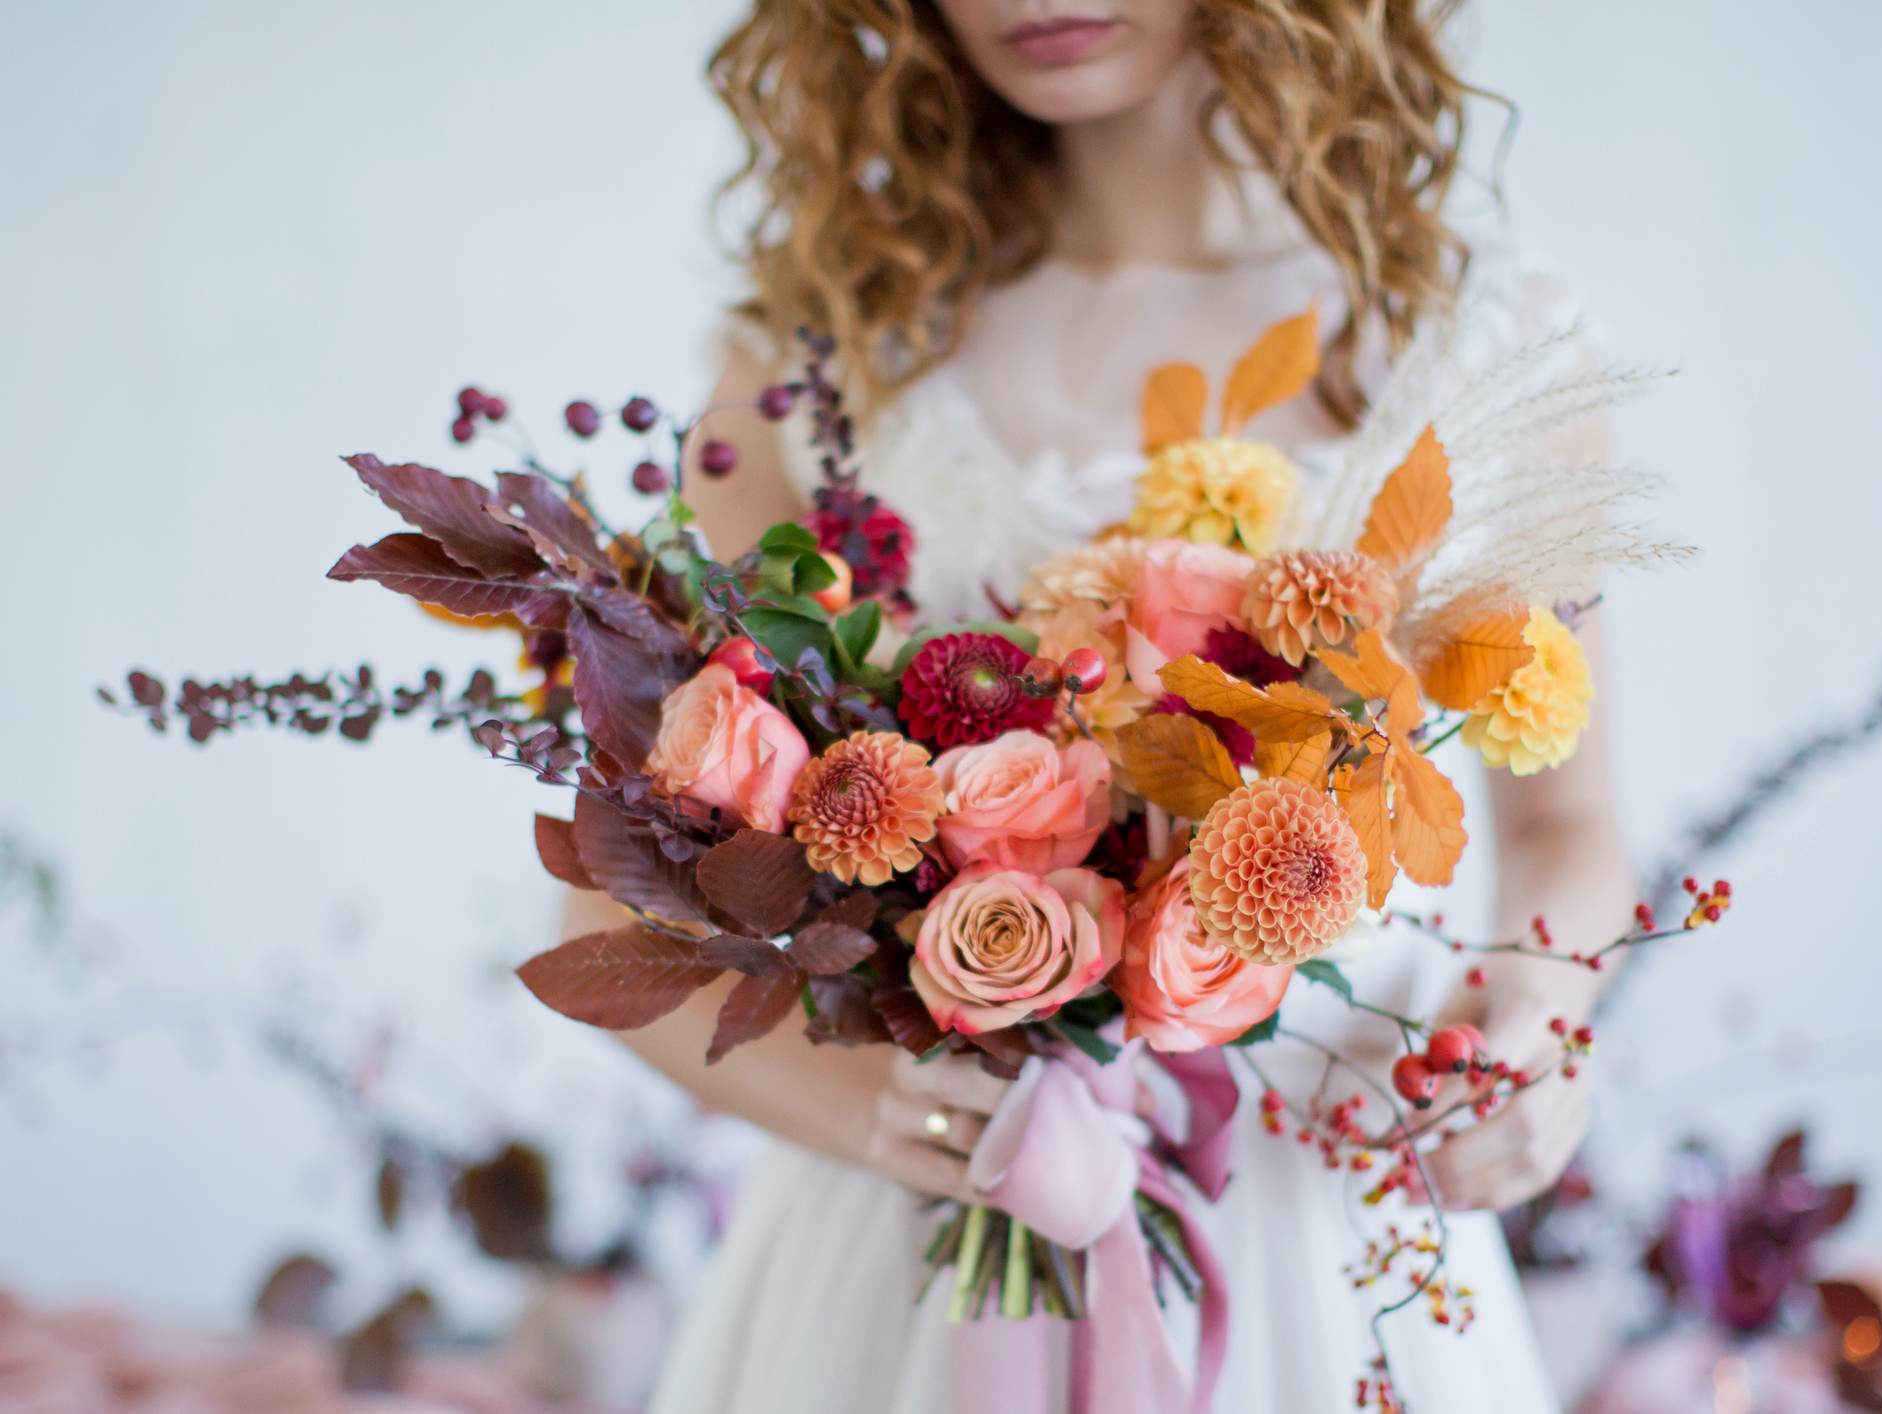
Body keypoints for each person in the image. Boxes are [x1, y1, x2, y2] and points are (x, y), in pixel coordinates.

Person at [560, 0, 1639, 1408]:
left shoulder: (1487, 340)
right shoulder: (815, 359)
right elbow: (614, 908)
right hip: (917, 1245)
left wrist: (1531, 1029)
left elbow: (1570, 822)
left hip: (1325, 1199)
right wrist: (872, 1105)